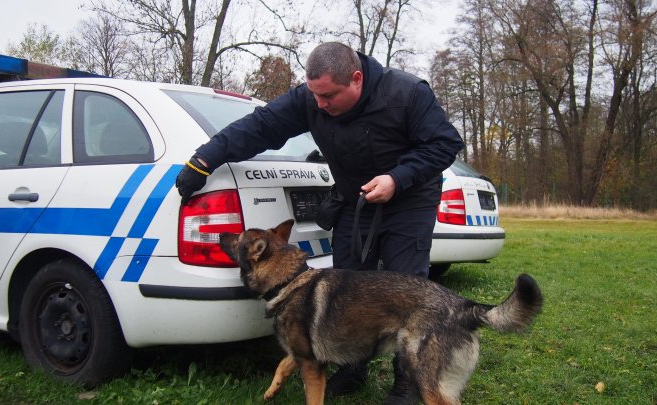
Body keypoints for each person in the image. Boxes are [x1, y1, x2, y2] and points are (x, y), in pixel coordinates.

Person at [175, 42, 464, 403]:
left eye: (328, 96)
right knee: (347, 286)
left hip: (408, 199)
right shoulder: (311, 98)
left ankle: (407, 382)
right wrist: (203, 160)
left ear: (356, 79)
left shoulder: (406, 93)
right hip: (355, 199)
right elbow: (261, 126)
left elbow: (445, 143)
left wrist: (397, 178)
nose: (320, 105)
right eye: (315, 96)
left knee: (405, 286)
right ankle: (351, 365)